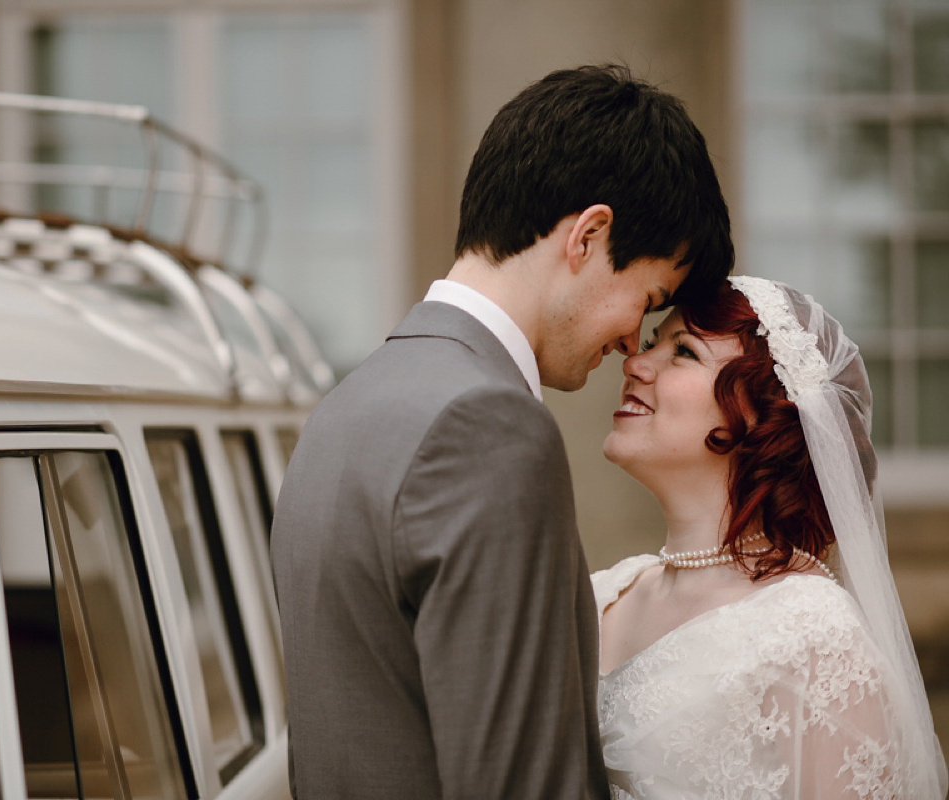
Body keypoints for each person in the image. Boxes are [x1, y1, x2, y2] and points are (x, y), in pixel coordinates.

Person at [270, 65, 732, 799]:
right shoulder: (488, 429)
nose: (629, 343)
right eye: (648, 300)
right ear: (589, 236)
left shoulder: (346, 406)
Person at [595, 275, 949, 799]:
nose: (634, 364)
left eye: (684, 352)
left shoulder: (813, 636)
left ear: (762, 416)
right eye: (651, 344)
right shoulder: (602, 593)